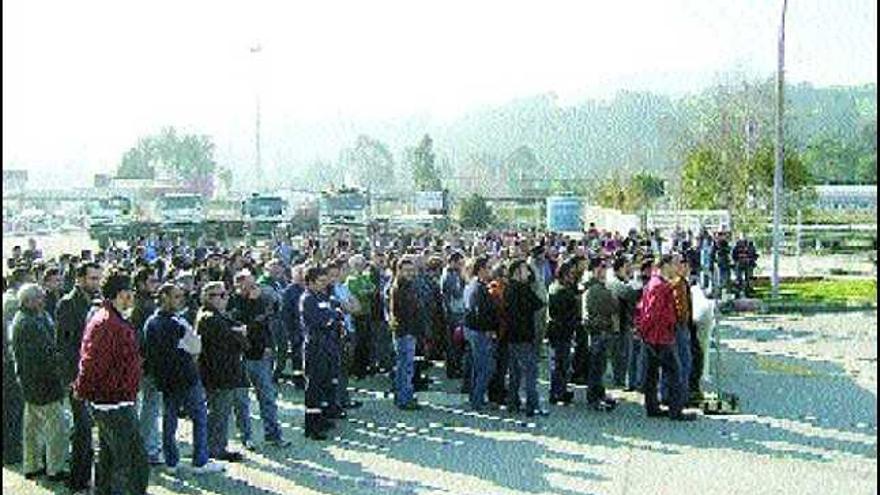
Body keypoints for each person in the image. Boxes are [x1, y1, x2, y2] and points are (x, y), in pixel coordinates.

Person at [74, 271, 150, 494]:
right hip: (112, 402)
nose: (132, 298)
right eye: (129, 294)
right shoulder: (108, 323)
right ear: (120, 295)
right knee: (133, 463)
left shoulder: (109, 318)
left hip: (111, 399)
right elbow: (91, 363)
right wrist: (82, 389)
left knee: (108, 458)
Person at [144, 283, 225, 474]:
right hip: (185, 377)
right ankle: (200, 461)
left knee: (169, 419)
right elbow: (196, 346)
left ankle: (171, 461)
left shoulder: (151, 322)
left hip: (164, 379)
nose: (180, 300)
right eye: (176, 296)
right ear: (164, 297)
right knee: (199, 417)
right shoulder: (176, 323)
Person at [12, 283, 69, 482]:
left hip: (29, 383)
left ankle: (32, 465)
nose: (43, 301)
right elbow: (44, 356)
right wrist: (59, 374)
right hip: (43, 383)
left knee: (32, 428)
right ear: (28, 301)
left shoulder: (25, 319)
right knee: (56, 427)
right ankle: (56, 468)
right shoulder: (30, 324)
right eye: (39, 298)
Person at [54, 262, 103, 490]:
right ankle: (78, 479)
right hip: (78, 376)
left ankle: (89, 477)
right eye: (92, 278)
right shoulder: (67, 304)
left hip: (95, 375)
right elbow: (64, 345)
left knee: (92, 428)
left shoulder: (97, 302)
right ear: (79, 279)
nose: (96, 282)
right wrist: (73, 379)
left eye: (98, 278)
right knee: (83, 429)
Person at [229, 270, 289, 448]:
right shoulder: (233, 302)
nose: (255, 289)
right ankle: (246, 436)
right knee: (242, 401)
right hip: (241, 357)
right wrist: (252, 303)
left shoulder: (262, 301)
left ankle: (273, 434)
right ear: (239, 285)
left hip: (261, 355)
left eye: (254, 284)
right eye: (250, 285)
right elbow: (244, 323)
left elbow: (265, 323)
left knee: (267, 397)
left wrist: (270, 347)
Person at [636, 256, 697, 422]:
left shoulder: (652, 283)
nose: (676, 268)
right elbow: (653, 314)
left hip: (653, 335)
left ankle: (652, 407)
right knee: (675, 373)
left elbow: (644, 310)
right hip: (660, 336)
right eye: (674, 264)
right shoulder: (661, 286)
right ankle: (675, 410)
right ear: (665, 266)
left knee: (652, 374)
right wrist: (669, 324)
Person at [196, 281, 248, 462]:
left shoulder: (218, 317)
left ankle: (218, 446)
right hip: (219, 373)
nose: (226, 298)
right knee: (218, 413)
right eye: (221, 295)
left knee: (220, 413)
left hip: (222, 372)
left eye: (225, 294)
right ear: (208, 298)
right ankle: (215, 449)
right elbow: (236, 341)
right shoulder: (210, 318)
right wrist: (239, 334)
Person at [129, 266, 163, 466]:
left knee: (143, 405)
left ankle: (143, 445)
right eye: (152, 281)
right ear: (141, 284)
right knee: (150, 406)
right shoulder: (145, 306)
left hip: (139, 362)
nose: (155, 284)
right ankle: (147, 447)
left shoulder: (138, 303)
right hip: (146, 363)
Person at [300, 266, 339, 440]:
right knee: (314, 386)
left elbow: (334, 313)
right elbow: (322, 319)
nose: (325, 284)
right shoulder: (307, 299)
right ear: (310, 282)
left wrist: (332, 315)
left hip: (327, 345)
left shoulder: (322, 296)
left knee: (325, 382)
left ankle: (321, 417)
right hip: (315, 346)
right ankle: (312, 425)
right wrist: (331, 315)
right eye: (321, 281)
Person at [504, 259, 546, 416]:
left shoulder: (509, 288)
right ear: (517, 272)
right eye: (525, 270)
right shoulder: (523, 289)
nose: (528, 273)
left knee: (515, 373)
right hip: (524, 336)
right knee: (530, 372)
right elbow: (539, 303)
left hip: (512, 336)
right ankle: (532, 405)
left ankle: (513, 403)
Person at [463, 255, 499, 411]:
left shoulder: (474, 285)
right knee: (486, 367)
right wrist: (490, 329)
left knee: (477, 367)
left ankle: (476, 397)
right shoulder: (478, 288)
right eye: (488, 268)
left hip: (473, 330)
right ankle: (477, 399)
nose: (490, 271)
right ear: (481, 269)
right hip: (480, 331)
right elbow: (480, 313)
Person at [582, 257, 619, 411]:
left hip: (595, 329)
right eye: (602, 267)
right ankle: (594, 397)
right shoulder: (597, 289)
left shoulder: (589, 287)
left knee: (597, 365)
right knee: (597, 366)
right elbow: (612, 306)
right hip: (600, 329)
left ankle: (598, 394)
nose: (604, 270)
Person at [389, 257, 422, 410]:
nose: (410, 273)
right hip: (405, 331)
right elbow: (404, 313)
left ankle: (403, 396)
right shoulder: (400, 288)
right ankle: (404, 398)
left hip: (407, 331)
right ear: (399, 271)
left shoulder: (408, 286)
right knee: (405, 367)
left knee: (404, 366)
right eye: (407, 270)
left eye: (411, 270)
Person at [547, 259, 579, 404]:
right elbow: (568, 313)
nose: (573, 276)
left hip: (559, 330)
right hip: (561, 330)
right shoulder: (561, 291)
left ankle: (560, 390)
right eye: (571, 274)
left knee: (560, 363)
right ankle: (557, 392)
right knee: (560, 363)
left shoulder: (557, 287)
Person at [607, 256, 641, 390]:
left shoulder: (618, 281)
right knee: (621, 353)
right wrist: (631, 281)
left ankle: (620, 378)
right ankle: (619, 379)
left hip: (622, 321)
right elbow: (631, 294)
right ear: (620, 268)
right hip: (618, 323)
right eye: (627, 267)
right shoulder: (615, 282)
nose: (630, 270)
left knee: (623, 352)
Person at [440, 251, 466, 379]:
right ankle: (452, 369)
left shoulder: (454, 274)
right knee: (453, 343)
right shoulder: (449, 275)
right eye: (460, 263)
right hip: (453, 314)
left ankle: (455, 367)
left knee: (456, 343)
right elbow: (455, 293)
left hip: (457, 312)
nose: (461, 265)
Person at [280, 264, 306, 386]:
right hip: (295, 329)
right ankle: (298, 379)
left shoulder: (309, 288)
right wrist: (290, 332)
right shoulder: (289, 291)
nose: (301, 276)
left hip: (308, 328)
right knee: (297, 356)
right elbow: (285, 314)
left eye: (303, 273)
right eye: (299, 273)